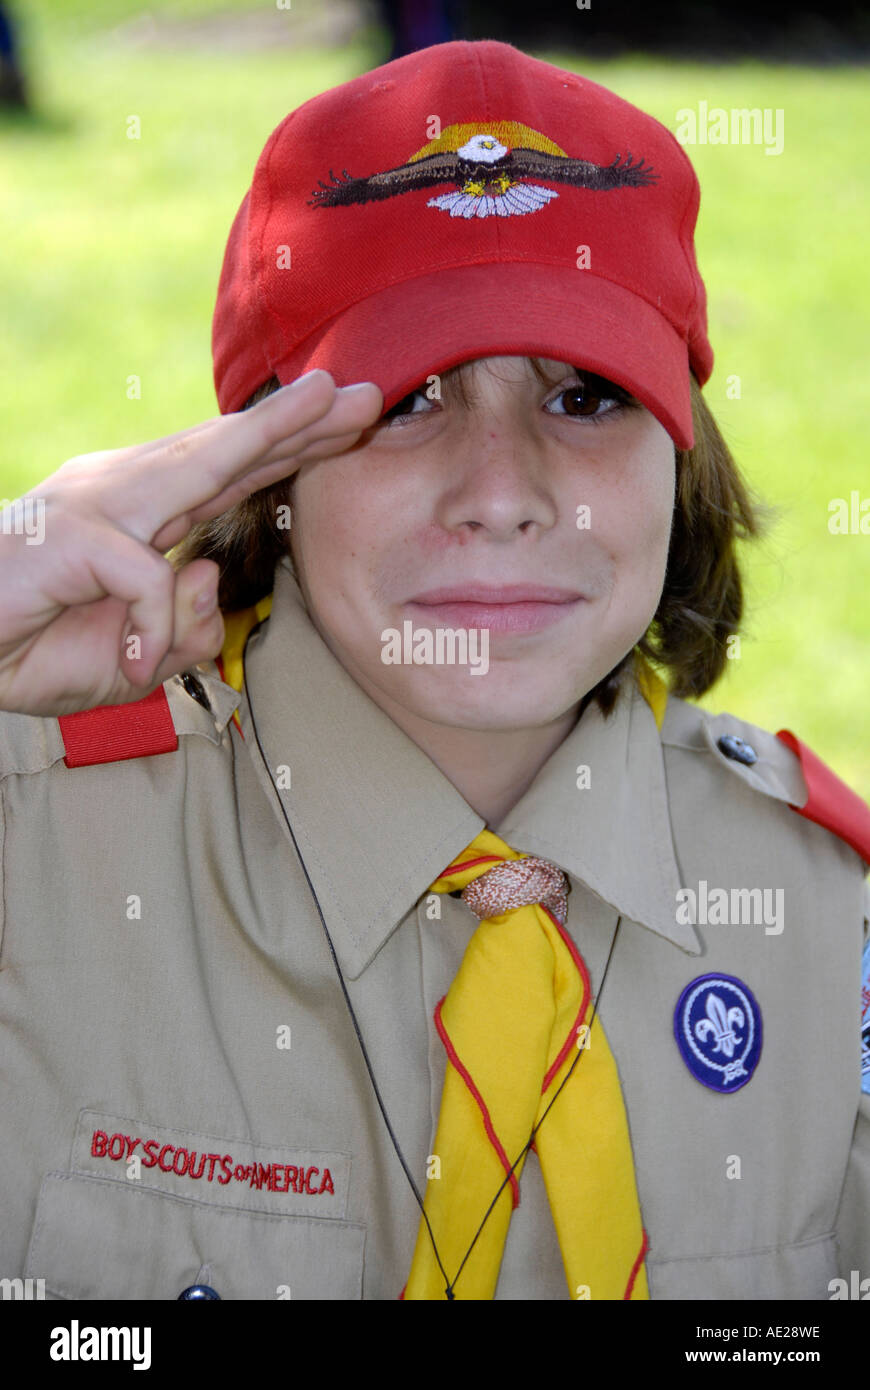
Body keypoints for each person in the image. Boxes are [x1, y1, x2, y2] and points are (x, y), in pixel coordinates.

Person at [0, 38, 867, 1303]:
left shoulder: (827, 919)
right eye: (408, 400)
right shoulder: (35, 850)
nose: (502, 493)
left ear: (680, 458)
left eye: (585, 396)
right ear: (257, 466)